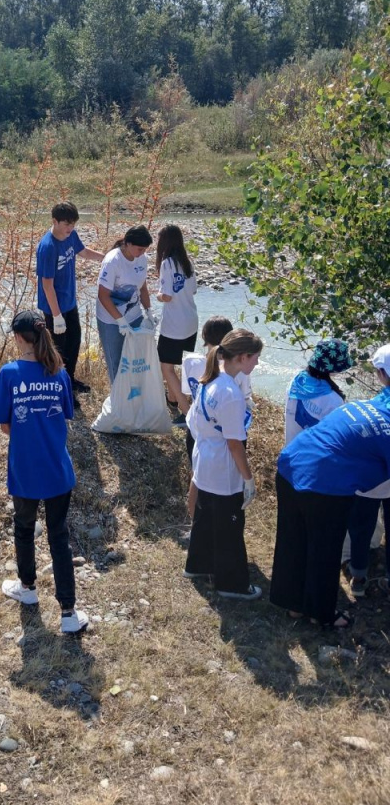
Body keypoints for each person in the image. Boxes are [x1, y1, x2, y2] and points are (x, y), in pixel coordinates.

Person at [271, 344, 390, 628]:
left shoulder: (362, 406)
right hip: (323, 484)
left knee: (294, 541)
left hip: (291, 463)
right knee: (325, 549)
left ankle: (293, 606)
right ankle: (320, 613)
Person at [0, 309, 88, 634]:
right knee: (59, 538)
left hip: (25, 470)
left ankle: (28, 589)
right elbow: (64, 417)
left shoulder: (8, 374)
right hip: (58, 470)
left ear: (19, 338)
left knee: (24, 528)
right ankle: (69, 614)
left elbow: (6, 425)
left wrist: (25, 431)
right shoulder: (58, 372)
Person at [184, 329, 264, 600]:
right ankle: (232, 585)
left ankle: (197, 565)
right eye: (255, 358)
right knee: (230, 527)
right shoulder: (230, 393)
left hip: (205, 460)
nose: (256, 364)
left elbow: (193, 422)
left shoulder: (211, 379)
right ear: (242, 357)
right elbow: (234, 444)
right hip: (222, 469)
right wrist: (248, 478)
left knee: (205, 519)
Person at [180, 317, 253, 529]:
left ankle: (196, 525)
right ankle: (222, 528)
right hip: (224, 433)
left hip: (197, 427)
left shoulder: (192, 362)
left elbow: (185, 393)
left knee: (196, 476)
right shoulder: (233, 370)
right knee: (225, 487)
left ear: (203, 337)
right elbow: (245, 398)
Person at [36, 201, 104, 407]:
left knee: (74, 343)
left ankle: (69, 380)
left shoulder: (70, 236)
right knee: (58, 350)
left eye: (73, 224)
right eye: (66, 224)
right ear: (54, 221)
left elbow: (83, 252)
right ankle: (59, 390)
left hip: (69, 303)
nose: (70, 228)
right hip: (53, 308)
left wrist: (108, 258)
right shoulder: (47, 247)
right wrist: (56, 317)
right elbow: (47, 285)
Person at [345, 344, 390, 598]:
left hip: (371, 480)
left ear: (382, 374)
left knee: (361, 526)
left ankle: (358, 577)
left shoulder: (372, 406)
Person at [95, 225, 154, 385]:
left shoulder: (142, 258)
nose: (142, 252)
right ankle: (119, 399)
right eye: (140, 248)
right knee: (116, 361)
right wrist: (120, 321)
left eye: (145, 249)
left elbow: (142, 287)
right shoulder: (113, 261)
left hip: (134, 315)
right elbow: (103, 295)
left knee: (135, 360)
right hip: (111, 320)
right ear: (127, 244)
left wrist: (148, 311)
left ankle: (134, 395)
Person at [155, 224, 198, 424]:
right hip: (191, 321)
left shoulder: (167, 264)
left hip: (174, 325)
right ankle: (172, 400)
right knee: (175, 363)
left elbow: (167, 296)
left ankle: (187, 411)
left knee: (166, 367)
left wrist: (157, 295)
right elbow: (194, 291)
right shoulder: (187, 262)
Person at [284, 339, 353, 445]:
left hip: (290, 447)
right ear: (335, 368)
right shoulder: (334, 400)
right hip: (312, 456)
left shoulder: (297, 380)